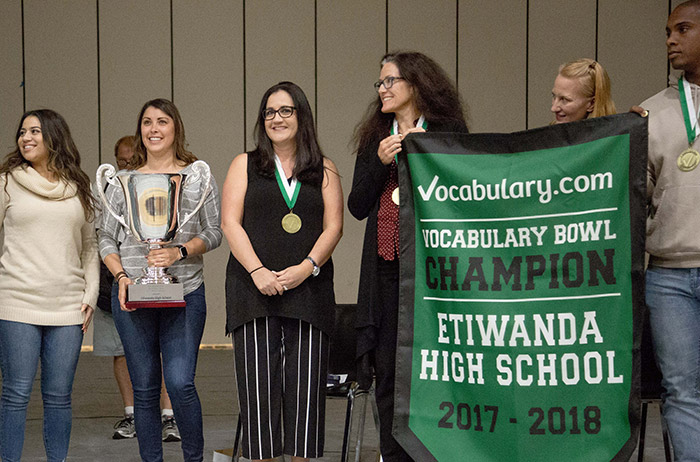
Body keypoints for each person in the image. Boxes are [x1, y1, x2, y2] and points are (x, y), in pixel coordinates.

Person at [348, 51, 468, 461]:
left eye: (390, 81)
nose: (382, 89)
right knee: (388, 372)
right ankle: (392, 453)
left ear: (415, 84)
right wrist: (381, 163)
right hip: (387, 271)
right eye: (380, 83)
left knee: (434, 372)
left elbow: (464, 194)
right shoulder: (375, 137)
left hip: (434, 274)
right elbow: (357, 205)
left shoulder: (448, 131)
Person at [222, 81, 343, 461]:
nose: (277, 118)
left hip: (309, 292)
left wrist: (307, 268)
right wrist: (257, 270)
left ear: (301, 115)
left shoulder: (324, 168)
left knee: (306, 398)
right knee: (259, 396)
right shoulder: (244, 164)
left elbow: (334, 227)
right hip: (252, 290)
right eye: (269, 112)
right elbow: (229, 223)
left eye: (286, 110)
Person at [98, 98, 222, 462]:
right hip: (132, 295)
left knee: (181, 383)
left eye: (162, 121)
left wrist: (179, 252)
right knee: (145, 388)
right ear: (140, 130)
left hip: (185, 293)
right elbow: (104, 236)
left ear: (175, 128)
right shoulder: (122, 182)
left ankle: (193, 458)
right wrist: (121, 275)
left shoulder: (197, 177)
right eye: (147, 122)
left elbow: (214, 232)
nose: (154, 129)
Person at [0, 109, 99, 461]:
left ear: (55, 136)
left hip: (68, 307)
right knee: (16, 394)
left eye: (34, 131)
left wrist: (90, 294)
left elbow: (90, 247)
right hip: (17, 303)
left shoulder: (79, 188)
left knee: (59, 398)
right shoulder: (6, 183)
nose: (25, 138)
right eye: (22, 132)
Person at [641, 1, 700, 460]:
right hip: (669, 277)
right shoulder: (651, 113)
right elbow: (632, 196)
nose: (670, 40)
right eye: (667, 31)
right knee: (680, 390)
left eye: (683, 29)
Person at [93, 135, 181, 442]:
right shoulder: (110, 187)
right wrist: (118, 276)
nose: (127, 164)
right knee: (120, 351)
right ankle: (132, 414)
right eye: (122, 160)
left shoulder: (162, 185)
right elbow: (102, 235)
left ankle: (169, 416)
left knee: (163, 352)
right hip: (115, 284)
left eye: (133, 159)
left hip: (159, 279)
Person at [551, 58, 617, 124]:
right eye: (554, 97)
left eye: (564, 99)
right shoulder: (551, 129)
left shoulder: (617, 130)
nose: (553, 108)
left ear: (592, 104)